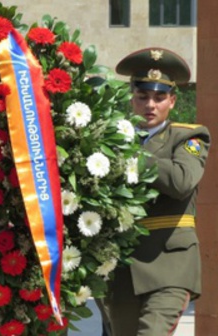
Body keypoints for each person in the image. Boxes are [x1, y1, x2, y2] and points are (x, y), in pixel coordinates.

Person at [104, 47, 211, 335]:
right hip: (123, 270)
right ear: (132, 98)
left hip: (169, 266)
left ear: (172, 101)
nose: (150, 104)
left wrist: (132, 154)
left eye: (159, 97)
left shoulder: (189, 136)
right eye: (143, 96)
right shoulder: (107, 140)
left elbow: (181, 182)